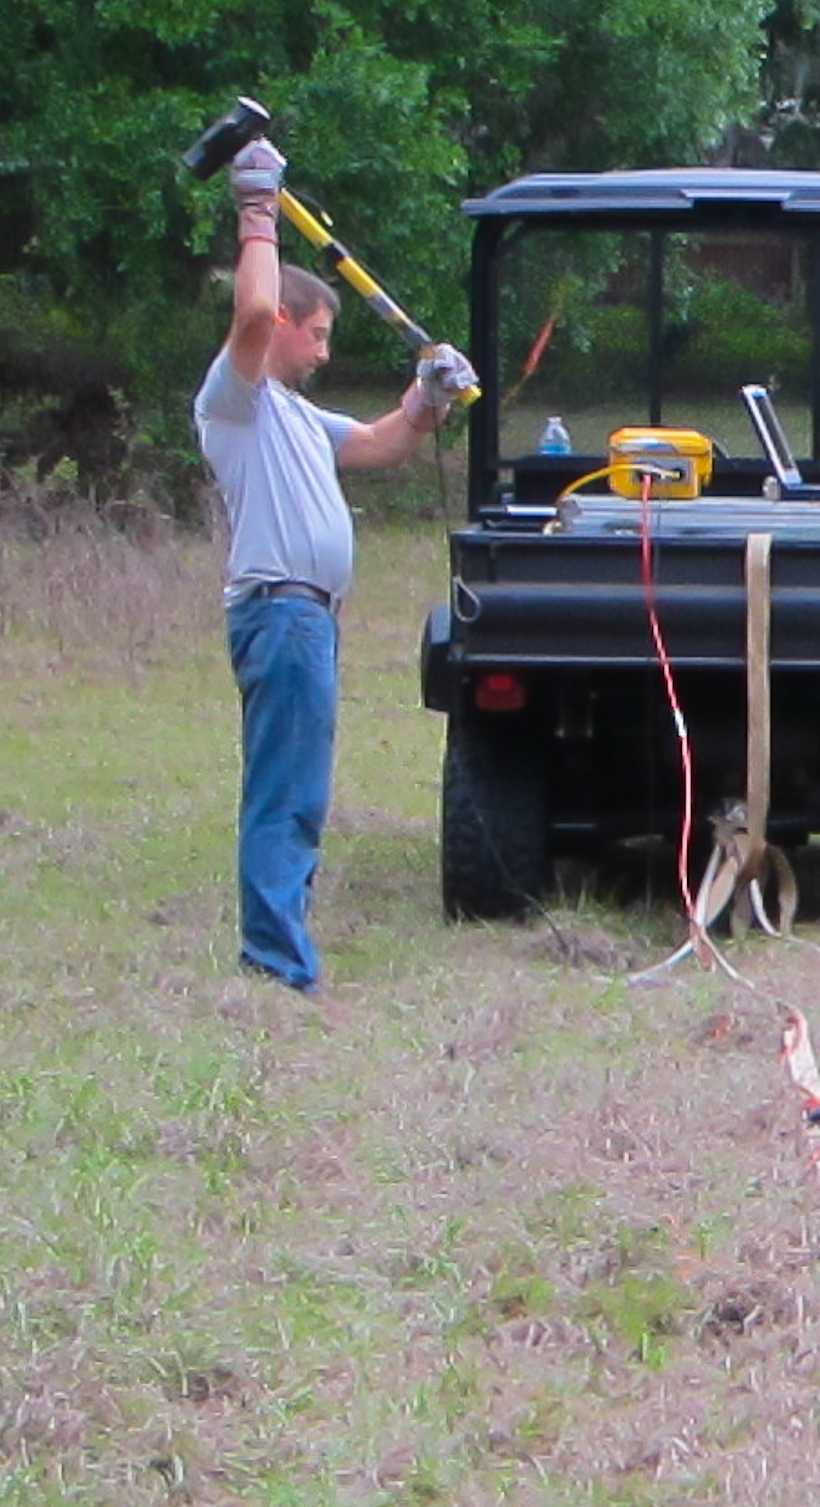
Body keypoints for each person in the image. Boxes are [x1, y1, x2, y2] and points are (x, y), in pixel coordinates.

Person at [194, 137, 476, 994]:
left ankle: (282, 946)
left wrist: (426, 400)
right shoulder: (234, 398)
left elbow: (383, 443)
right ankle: (275, 963)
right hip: (278, 613)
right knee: (285, 791)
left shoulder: (294, 414)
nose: (322, 350)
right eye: (314, 333)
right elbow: (247, 317)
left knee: (301, 790)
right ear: (281, 321)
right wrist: (256, 212)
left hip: (308, 618)